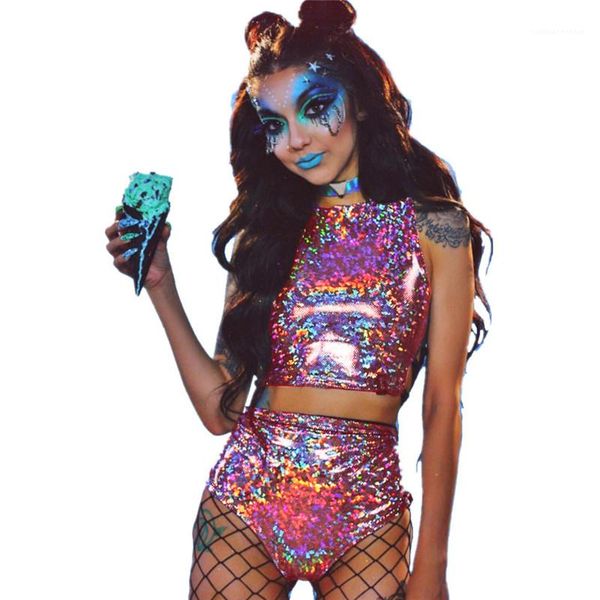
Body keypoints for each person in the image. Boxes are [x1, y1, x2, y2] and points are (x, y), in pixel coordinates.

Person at [104, 1, 493, 598]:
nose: (295, 140)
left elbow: (443, 404)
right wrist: (161, 283)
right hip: (245, 500)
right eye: (274, 124)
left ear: (361, 99)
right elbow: (220, 413)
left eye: (315, 108)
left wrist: (433, 566)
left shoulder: (437, 228)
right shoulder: (265, 234)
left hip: (369, 506)